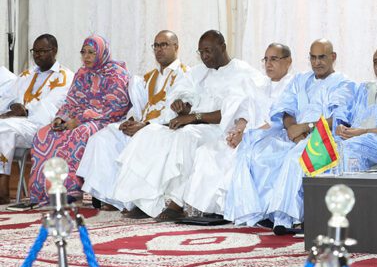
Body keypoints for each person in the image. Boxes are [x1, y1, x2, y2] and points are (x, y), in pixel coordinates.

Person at [110, 30, 264, 221]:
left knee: (187, 137)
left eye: (208, 51)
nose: (204, 56)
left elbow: (235, 112)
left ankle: (177, 204)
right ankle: (145, 202)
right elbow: (183, 95)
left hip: (218, 129)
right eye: (201, 52)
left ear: (222, 47)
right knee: (149, 133)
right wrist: (182, 106)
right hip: (193, 123)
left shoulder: (243, 72)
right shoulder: (199, 72)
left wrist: (193, 117)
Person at [224, 38, 355, 233]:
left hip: (323, 137)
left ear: (333, 57)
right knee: (255, 152)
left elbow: (339, 118)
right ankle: (260, 213)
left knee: (295, 159)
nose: (317, 62)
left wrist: (304, 127)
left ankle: (285, 218)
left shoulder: (344, 84)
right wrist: (293, 129)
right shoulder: (300, 80)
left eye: (322, 57)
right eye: (313, 58)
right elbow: (285, 109)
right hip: (293, 134)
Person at [76, 31, 189, 211]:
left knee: (144, 137)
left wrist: (145, 125)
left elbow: (178, 112)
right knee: (103, 137)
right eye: (156, 45)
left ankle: (137, 201)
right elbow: (139, 106)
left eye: (164, 45)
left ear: (176, 47)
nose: (159, 49)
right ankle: (112, 197)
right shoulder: (149, 77)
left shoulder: (185, 75)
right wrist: (130, 120)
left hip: (164, 129)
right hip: (142, 125)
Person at [182, 42, 294, 216]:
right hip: (249, 133)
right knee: (209, 151)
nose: (268, 64)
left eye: (274, 59)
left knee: (236, 155)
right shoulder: (260, 84)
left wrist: (247, 135)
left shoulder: (293, 85)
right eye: (266, 59)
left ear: (288, 61)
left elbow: (278, 120)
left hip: (273, 136)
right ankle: (206, 209)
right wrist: (239, 129)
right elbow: (245, 111)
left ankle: (229, 208)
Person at [22, 34, 130, 207]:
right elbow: (70, 102)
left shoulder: (116, 74)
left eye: (91, 52)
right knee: (44, 134)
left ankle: (70, 190)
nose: (86, 57)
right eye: (83, 52)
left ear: (102, 53)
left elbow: (117, 107)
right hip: (77, 119)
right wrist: (60, 118)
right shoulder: (81, 73)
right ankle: (44, 190)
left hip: (106, 120)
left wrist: (79, 120)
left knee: (80, 133)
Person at [0, 35, 72, 205]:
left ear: (54, 51)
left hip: (39, 127)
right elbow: (7, 97)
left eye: (42, 51)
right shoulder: (27, 74)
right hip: (17, 123)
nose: (37, 55)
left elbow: (53, 107)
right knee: (4, 126)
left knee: (4, 128)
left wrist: (26, 110)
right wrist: (12, 106)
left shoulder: (65, 77)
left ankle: (2, 190)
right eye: (35, 51)